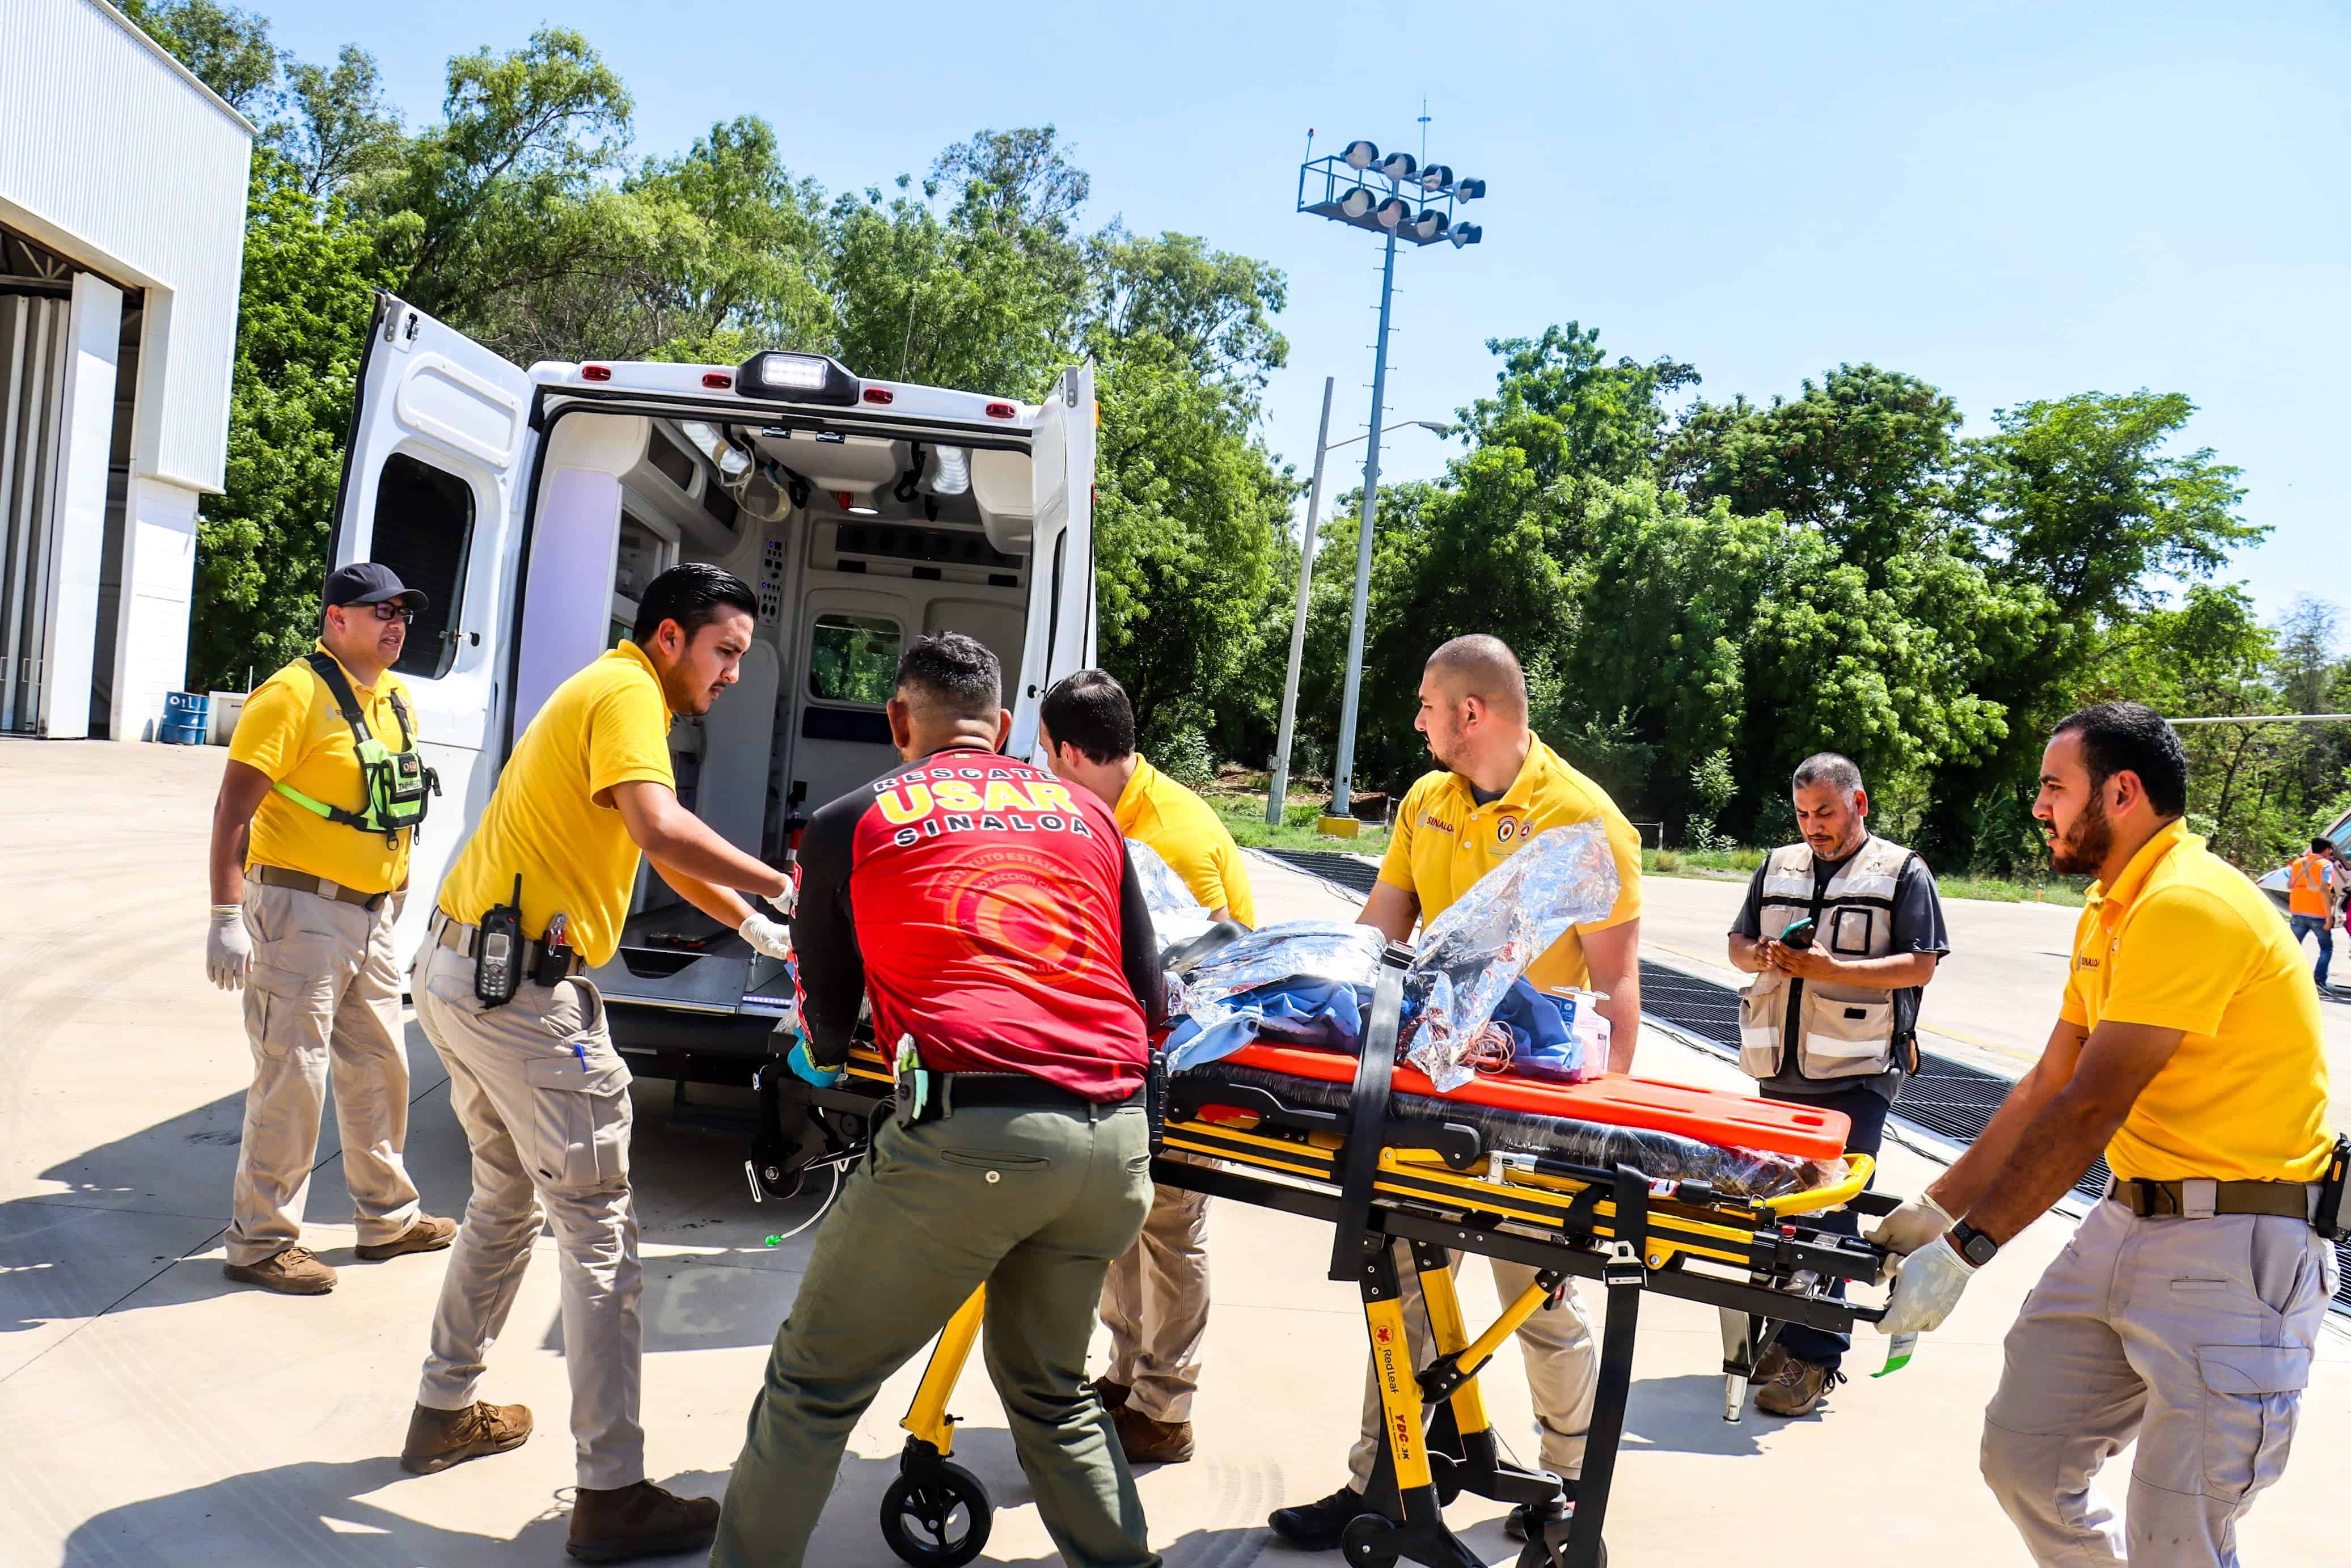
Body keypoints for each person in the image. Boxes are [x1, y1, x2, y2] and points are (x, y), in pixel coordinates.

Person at [711, 633, 1163, 1568]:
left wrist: (821, 1067)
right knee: (1051, 1392)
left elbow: (826, 1025)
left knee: (813, 1385)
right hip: (1115, 1145)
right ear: (1001, 728)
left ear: (898, 722)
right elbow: (1152, 1001)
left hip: (974, 1140)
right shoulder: (1089, 815)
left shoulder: (847, 822)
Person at [1871, 701, 2338, 1567]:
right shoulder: (2112, 908)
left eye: (2054, 787)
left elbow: (2092, 1105)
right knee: (2025, 1458)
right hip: (2127, 1218)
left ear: (2120, 792)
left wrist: (1968, 1248)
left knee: (2179, 1538)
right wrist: (1938, 1206)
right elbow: (2049, 1081)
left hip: (2238, 1244)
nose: (2039, 806)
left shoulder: (2187, 904)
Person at [400, 564, 793, 1564]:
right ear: (669, 638)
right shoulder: (626, 691)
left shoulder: (611, 694)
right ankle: (612, 1492)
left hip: (462, 978)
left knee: (504, 1203)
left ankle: (444, 1406)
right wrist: (797, 879)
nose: (734, 673)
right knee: (602, 1233)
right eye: (725, 651)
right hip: (525, 998)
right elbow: (665, 829)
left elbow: (657, 855)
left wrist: (764, 927)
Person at [1268, 633, 1644, 1551]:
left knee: (1545, 1306)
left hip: (1532, 1108)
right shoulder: (1427, 803)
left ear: (1470, 713)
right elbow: (1377, 939)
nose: (1418, 721)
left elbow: (1618, 992)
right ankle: (1380, 1484)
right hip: (1434, 1101)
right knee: (1397, 1289)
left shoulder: (1582, 819)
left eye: (1428, 706)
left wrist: (1591, 1141)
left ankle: (1567, 1494)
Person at [205, 561, 455, 1295]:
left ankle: (387, 1219)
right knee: (293, 1075)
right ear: (335, 619)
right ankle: (259, 1241)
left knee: (381, 1068)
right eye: (380, 612)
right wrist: (225, 917)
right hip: (299, 912)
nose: (396, 625)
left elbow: (391, 793)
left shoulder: (395, 697)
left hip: (372, 915)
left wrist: (397, 876)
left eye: (402, 613)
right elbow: (232, 812)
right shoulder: (290, 695)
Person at [1039, 668, 1255, 1468]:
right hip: (1132, 1059)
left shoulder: (1167, 833)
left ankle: (1165, 1406)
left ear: (1068, 749)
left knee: (1168, 1230)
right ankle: (1126, 1380)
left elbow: (1196, 977)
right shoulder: (1120, 809)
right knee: (1123, 1229)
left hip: (1185, 1068)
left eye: (1050, 758)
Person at [1726, 751, 1947, 1416]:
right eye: (1802, 813)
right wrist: (1763, 954)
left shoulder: (1902, 870)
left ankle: (1815, 1361)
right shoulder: (1777, 865)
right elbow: (1736, 944)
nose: (1813, 826)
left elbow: (1922, 964)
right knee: (1779, 1209)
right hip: (1779, 1067)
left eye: (1825, 811)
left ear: (1860, 804)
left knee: (1833, 1212)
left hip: (1856, 1075)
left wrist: (1833, 966)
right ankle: (1780, 1333)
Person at [2284, 835, 2339, 991]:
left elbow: (2290, 884)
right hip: (2318, 912)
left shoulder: (2297, 863)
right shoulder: (2326, 865)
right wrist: (2329, 916)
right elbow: (2323, 888)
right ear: (2326, 850)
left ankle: (2287, 978)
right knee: (2326, 948)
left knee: (2293, 947)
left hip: (2298, 910)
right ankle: (2319, 980)